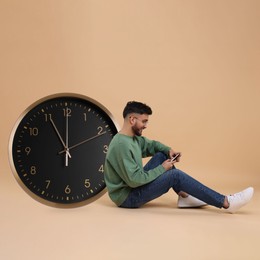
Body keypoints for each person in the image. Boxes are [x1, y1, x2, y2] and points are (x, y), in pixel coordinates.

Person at [104, 101, 254, 213]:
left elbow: (152, 145)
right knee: (174, 175)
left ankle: (184, 197)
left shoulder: (132, 139)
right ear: (132, 120)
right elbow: (134, 180)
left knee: (161, 155)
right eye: (144, 121)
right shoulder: (121, 144)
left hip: (133, 187)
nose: (146, 125)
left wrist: (168, 150)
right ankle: (226, 202)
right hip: (128, 198)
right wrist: (163, 168)